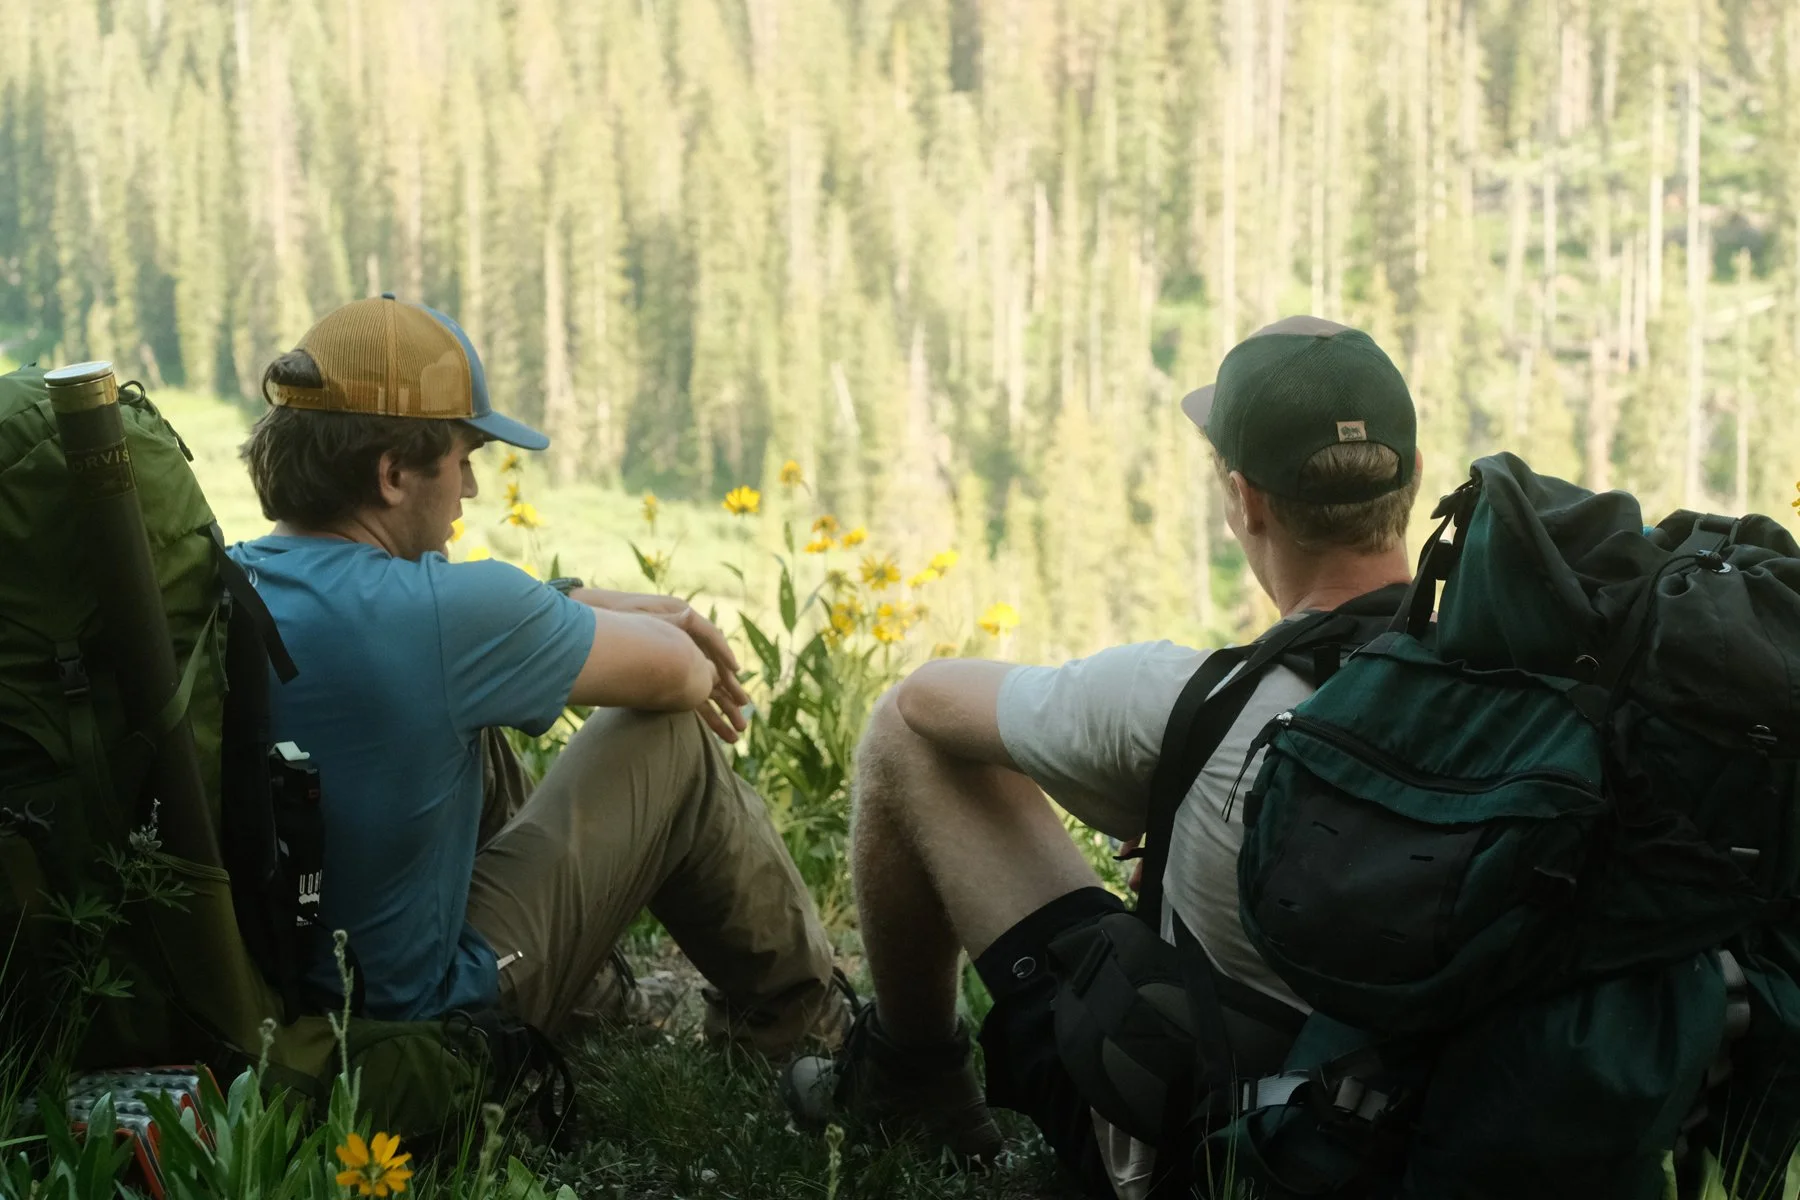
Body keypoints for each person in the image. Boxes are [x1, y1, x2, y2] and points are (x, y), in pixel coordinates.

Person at [784, 316, 1425, 1196]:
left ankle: (910, 1073)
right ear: (1415, 481)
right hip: (1434, 1149)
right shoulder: (1515, 700)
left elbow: (929, 701)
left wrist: (1151, 788)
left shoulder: (1183, 703)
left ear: (1245, 499)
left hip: (1213, 1164)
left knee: (902, 738)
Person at [229, 293, 847, 1055]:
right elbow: (683, 678)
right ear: (392, 474)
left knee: (469, 729)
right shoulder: (441, 616)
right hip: (432, 1021)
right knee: (669, 742)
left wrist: (572, 606)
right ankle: (807, 1033)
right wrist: (668, 623)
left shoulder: (236, 582)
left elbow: (462, 632)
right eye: (462, 461)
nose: (471, 492)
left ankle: (596, 1003)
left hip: (296, 1004)